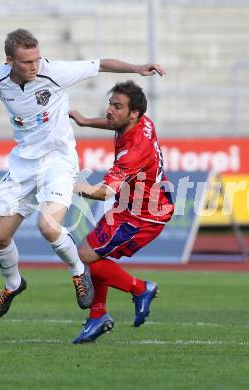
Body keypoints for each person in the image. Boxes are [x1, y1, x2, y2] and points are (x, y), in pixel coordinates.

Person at [0, 29, 166, 319]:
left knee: (48, 226)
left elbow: (99, 64)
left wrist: (137, 68)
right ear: (9, 61)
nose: (35, 66)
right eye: (27, 62)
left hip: (58, 160)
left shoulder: (54, 72)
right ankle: (14, 284)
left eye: (37, 59)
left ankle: (78, 272)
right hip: (22, 164)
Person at [69, 80, 174, 343]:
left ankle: (139, 289)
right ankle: (98, 317)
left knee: (84, 256)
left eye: (117, 107)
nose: (110, 111)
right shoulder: (141, 121)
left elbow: (105, 191)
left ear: (133, 113)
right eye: (110, 104)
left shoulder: (134, 151)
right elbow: (115, 123)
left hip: (143, 216)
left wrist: (69, 186)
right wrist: (84, 121)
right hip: (131, 207)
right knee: (91, 252)